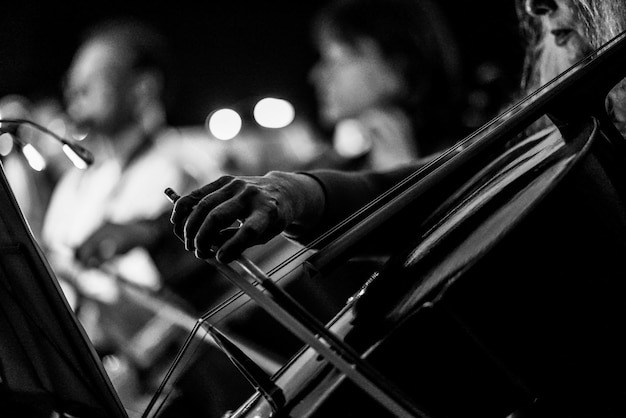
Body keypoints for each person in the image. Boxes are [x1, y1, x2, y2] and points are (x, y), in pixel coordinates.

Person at [171, 0, 626, 264]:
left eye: (338, 55)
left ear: (398, 61)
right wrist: (294, 192)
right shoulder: (547, 113)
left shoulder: (481, 115)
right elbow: (433, 182)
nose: (533, 5)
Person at [40, 17, 248, 414]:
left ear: (143, 88)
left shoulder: (184, 168)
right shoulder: (75, 185)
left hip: (171, 386)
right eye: (73, 76)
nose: (74, 88)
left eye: (94, 76)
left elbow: (210, 296)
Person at [305, 0, 467, 171]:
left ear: (399, 64)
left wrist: (401, 178)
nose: (315, 75)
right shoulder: (343, 164)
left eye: (334, 59)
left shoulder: (459, 155)